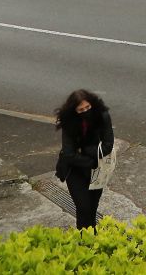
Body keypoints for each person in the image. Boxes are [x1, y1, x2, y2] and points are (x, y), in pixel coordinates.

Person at [53, 89, 114, 231]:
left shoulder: (102, 116)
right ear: (74, 111)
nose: (86, 111)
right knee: (83, 207)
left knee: (92, 207)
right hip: (74, 170)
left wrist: (84, 150)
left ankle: (92, 236)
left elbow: (107, 146)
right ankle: (84, 240)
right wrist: (91, 159)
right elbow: (68, 154)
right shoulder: (69, 122)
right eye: (81, 110)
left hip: (96, 171)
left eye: (88, 107)